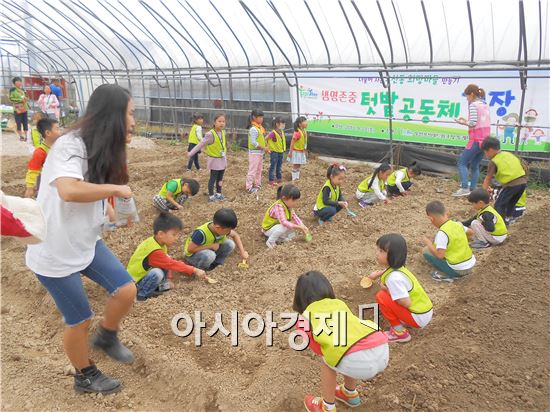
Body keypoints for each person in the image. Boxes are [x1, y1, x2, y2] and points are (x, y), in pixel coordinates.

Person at [25, 84, 138, 394]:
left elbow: (93, 186)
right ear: (112, 114)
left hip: (85, 243)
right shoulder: (69, 145)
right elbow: (69, 190)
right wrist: (114, 191)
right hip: (54, 250)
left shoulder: (102, 146)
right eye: (129, 113)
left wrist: (109, 209)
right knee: (79, 319)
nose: (133, 119)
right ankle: (84, 375)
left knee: (127, 290)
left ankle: (107, 336)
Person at [294, 271, 389, 412]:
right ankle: (349, 393)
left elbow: (319, 350)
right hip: (381, 348)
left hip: (359, 360)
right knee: (344, 345)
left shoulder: (305, 319)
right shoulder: (339, 304)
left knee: (329, 360)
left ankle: (326, 406)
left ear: (300, 298)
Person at [368, 234, 433, 343]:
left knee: (382, 296)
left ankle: (400, 333)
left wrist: (387, 291)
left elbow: (406, 303)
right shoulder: (399, 269)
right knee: (386, 296)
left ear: (393, 256)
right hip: (424, 311)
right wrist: (376, 275)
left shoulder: (394, 278)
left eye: (381, 251)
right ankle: (404, 320)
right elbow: (387, 271)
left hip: (418, 317)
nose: (377, 253)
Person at [127, 213, 207, 301]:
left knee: (165, 261)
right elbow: (171, 264)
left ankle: (160, 286)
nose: (176, 238)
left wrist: (169, 278)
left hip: (142, 276)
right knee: (157, 273)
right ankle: (141, 296)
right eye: (174, 235)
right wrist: (194, 270)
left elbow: (166, 262)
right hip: (134, 284)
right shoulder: (155, 251)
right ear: (161, 234)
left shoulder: (157, 242)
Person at [422, 200, 476, 282]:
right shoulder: (457, 224)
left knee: (426, 251)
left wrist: (429, 243)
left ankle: (448, 275)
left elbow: (440, 256)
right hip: (471, 264)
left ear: (431, 219)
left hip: (459, 270)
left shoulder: (442, 233)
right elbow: (471, 232)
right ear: (446, 212)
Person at [453, 84, 490, 197]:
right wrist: (467, 120)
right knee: (475, 164)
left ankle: (464, 188)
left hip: (475, 139)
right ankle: (472, 188)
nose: (466, 98)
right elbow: (478, 121)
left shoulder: (473, 105)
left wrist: (462, 122)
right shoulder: (484, 105)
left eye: (467, 95)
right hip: (485, 140)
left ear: (472, 94)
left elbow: (473, 123)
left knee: (462, 162)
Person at [184, 208, 248, 271]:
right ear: (218, 228)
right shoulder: (200, 233)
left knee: (230, 244)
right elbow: (190, 250)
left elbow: (235, 235)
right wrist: (211, 246)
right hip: (193, 256)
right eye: (228, 230)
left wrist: (242, 252)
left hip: (210, 250)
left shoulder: (221, 227)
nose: (229, 232)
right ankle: (202, 269)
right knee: (210, 255)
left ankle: (217, 264)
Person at [481, 137, 528, 222]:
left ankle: (501, 224)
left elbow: (488, 178)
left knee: (499, 205)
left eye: (485, 152)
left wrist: (482, 194)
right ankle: (509, 218)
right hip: (523, 183)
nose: (486, 154)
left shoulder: (494, 161)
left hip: (511, 185)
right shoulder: (509, 154)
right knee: (511, 203)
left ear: (490, 150)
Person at [187, 113, 227, 202]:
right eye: (219, 121)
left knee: (220, 178)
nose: (222, 123)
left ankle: (219, 193)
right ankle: (211, 195)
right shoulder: (210, 134)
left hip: (222, 159)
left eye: (223, 121)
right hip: (214, 160)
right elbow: (200, 144)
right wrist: (191, 153)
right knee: (213, 178)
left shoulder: (223, 132)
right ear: (214, 122)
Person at [261, 184, 309, 248]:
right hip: (268, 229)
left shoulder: (288, 206)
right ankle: (270, 241)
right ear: (284, 198)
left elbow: (295, 217)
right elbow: (284, 222)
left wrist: (302, 226)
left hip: (275, 226)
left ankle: (283, 239)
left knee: (293, 223)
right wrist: (299, 227)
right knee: (284, 226)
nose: (295, 203)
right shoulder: (278, 206)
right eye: (293, 200)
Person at [24, 118, 61, 198]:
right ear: (48, 133)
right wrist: (30, 188)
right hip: (45, 184)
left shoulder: (59, 147)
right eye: (57, 129)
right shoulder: (40, 152)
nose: (60, 132)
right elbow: (33, 170)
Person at [246, 109, 269, 193]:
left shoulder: (260, 128)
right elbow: (253, 142)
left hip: (259, 152)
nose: (261, 119)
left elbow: (261, 139)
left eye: (262, 117)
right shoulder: (253, 129)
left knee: (259, 169)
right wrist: (263, 148)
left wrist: (265, 147)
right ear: (254, 118)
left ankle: (257, 184)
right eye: (259, 117)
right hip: (254, 152)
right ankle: (249, 187)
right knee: (252, 170)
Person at [266, 116, 287, 186]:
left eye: (284, 124)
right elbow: (266, 138)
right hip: (274, 152)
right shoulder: (273, 133)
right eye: (282, 123)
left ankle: (279, 178)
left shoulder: (282, 132)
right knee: (273, 165)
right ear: (277, 124)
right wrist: (267, 147)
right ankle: (271, 180)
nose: (284, 125)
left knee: (279, 165)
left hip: (281, 151)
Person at [9, 76, 29, 141]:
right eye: (17, 81)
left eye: (20, 81)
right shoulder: (12, 90)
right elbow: (11, 98)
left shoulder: (23, 90)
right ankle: (21, 136)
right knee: (18, 122)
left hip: (24, 108)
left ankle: (26, 136)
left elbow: (27, 97)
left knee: (25, 122)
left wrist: (26, 99)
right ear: (14, 83)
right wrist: (20, 100)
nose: (19, 83)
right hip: (17, 109)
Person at [288, 116, 308, 181]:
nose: (306, 123)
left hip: (301, 151)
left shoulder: (304, 131)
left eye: (306, 121)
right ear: (300, 124)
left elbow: (304, 142)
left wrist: (305, 151)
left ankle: (297, 177)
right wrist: (290, 152)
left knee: (299, 164)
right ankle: (294, 178)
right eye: (304, 121)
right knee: (295, 164)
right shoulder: (297, 132)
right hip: (296, 152)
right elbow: (292, 143)